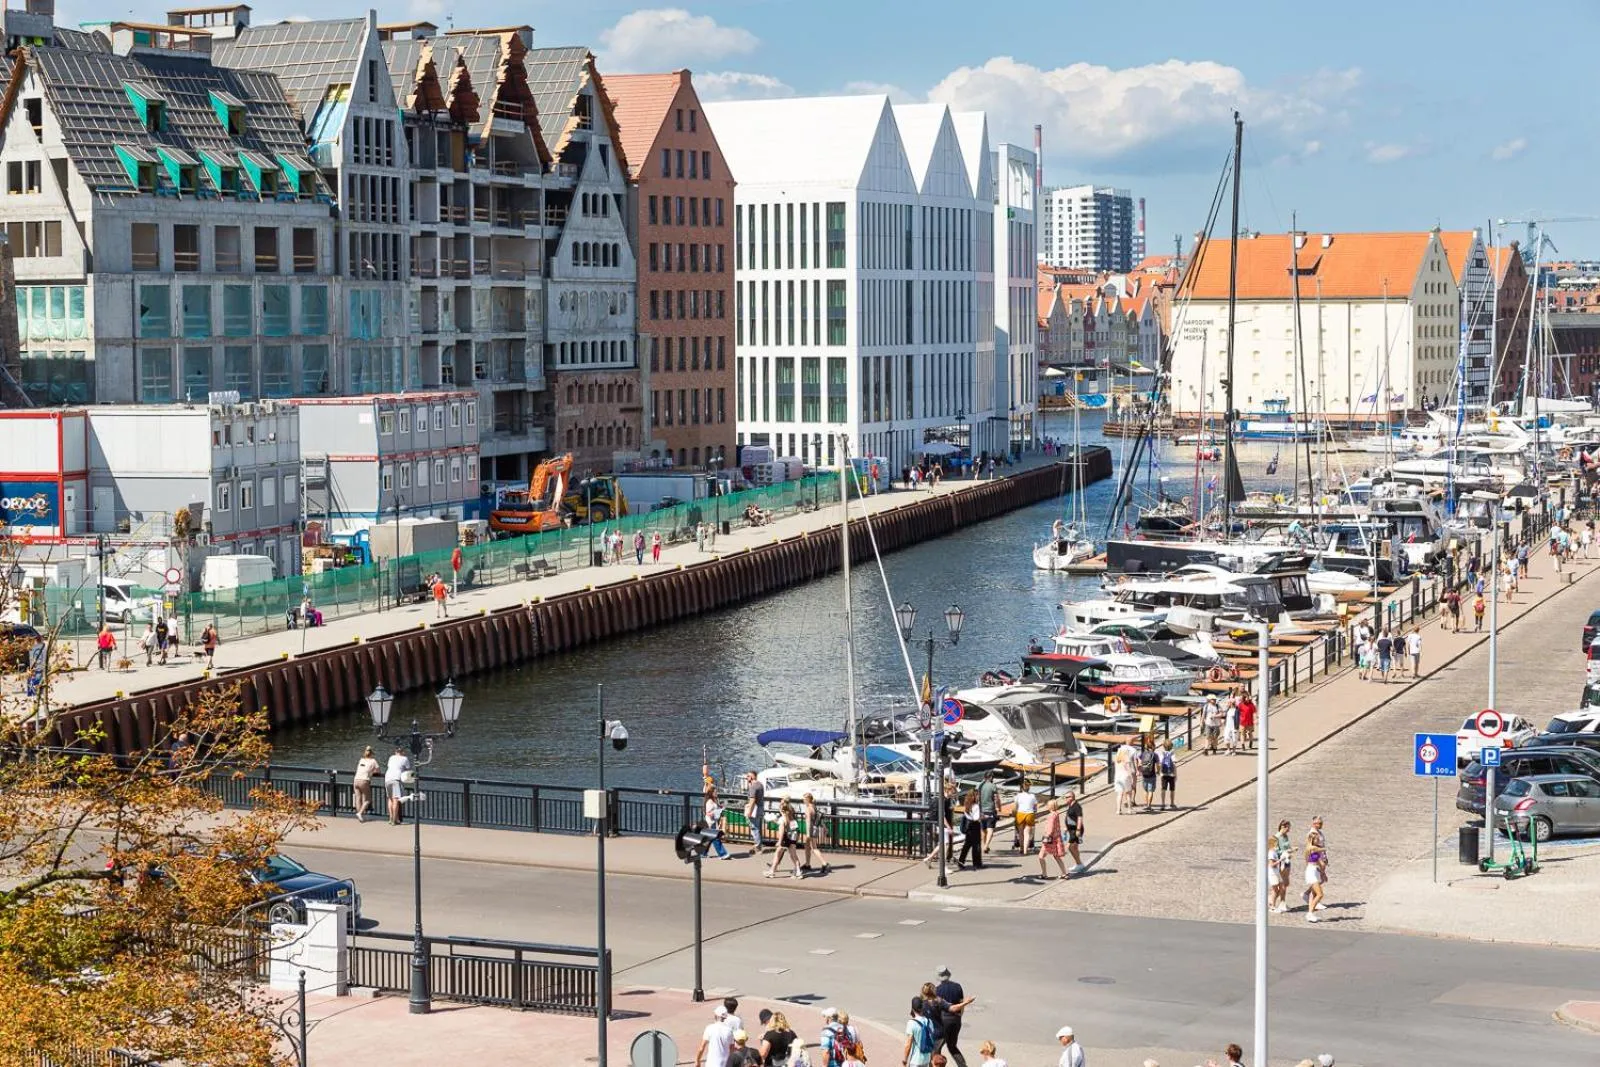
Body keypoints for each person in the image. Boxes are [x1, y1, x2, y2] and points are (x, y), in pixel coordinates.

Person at [933, 967, 973, 1067]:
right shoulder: (957, 987)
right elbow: (961, 1004)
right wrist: (959, 1017)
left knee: (936, 1047)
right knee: (952, 1046)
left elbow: (937, 1009)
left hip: (943, 1021)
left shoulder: (937, 990)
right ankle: (963, 1065)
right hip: (956, 1019)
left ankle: (935, 1065)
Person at [766, 799, 802, 879]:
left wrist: (779, 841)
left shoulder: (782, 819)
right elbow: (796, 830)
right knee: (793, 855)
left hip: (785, 839)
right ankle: (798, 872)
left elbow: (782, 831)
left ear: (781, 810)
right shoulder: (792, 819)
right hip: (792, 839)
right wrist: (795, 841)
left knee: (777, 855)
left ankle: (771, 872)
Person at [1303, 816, 1328, 922]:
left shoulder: (1311, 848)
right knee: (1319, 894)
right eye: (1317, 839)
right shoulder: (1313, 850)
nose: (1319, 840)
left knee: (1315, 894)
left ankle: (1311, 912)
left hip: (1313, 870)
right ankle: (1310, 913)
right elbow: (1320, 863)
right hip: (1312, 872)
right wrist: (1323, 873)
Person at [1037, 799, 1069, 879]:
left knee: (1041, 856)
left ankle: (1044, 874)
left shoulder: (1051, 816)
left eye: (1047, 805)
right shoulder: (1056, 814)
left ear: (1050, 806)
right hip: (1056, 838)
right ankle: (1064, 873)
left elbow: (1050, 828)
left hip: (1050, 840)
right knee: (1056, 856)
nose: (1047, 806)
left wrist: (1047, 836)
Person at [800, 793, 829, 875]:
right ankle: (807, 864)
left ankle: (825, 864)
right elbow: (819, 818)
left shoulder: (808, 809)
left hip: (811, 830)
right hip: (815, 828)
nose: (803, 800)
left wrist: (808, 834)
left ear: (807, 800)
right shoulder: (814, 807)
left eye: (804, 799)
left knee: (814, 848)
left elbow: (808, 822)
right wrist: (825, 828)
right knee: (807, 846)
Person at [903, 998, 936, 1067]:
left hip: (915, 1061)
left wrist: (905, 1060)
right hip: (926, 1060)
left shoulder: (911, 1023)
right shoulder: (929, 1022)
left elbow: (908, 1044)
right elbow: (932, 1041)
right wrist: (932, 1059)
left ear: (913, 1009)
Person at [955, 790, 983, 870]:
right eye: (977, 795)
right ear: (974, 797)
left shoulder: (967, 805)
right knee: (976, 845)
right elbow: (976, 818)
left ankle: (961, 861)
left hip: (968, 827)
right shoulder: (976, 806)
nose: (978, 797)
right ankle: (977, 863)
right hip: (975, 826)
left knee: (967, 845)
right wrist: (982, 817)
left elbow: (967, 815)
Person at [383, 745, 411, 825]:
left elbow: (389, 766)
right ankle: (394, 820)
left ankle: (391, 817)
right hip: (396, 778)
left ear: (395, 752)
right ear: (403, 752)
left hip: (387, 778)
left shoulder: (391, 757)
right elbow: (408, 768)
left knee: (390, 799)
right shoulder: (404, 758)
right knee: (395, 799)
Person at [353, 745, 381, 822]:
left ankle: (359, 815)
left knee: (358, 798)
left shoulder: (361, 760)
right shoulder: (373, 761)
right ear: (372, 754)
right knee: (368, 799)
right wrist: (372, 772)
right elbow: (378, 771)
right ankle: (360, 813)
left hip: (356, 780)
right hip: (364, 780)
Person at [703, 788, 732, 859]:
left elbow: (716, 808)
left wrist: (721, 808)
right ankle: (723, 854)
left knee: (709, 839)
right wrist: (717, 812)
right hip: (710, 822)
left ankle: (702, 853)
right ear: (711, 793)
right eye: (715, 792)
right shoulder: (709, 802)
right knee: (716, 838)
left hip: (713, 822)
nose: (717, 793)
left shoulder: (715, 800)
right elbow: (708, 813)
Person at [1062, 790, 1085, 873]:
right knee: (1074, 847)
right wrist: (1066, 828)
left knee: (1071, 847)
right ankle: (1078, 864)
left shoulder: (1077, 806)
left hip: (1076, 830)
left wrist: (1078, 829)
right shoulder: (1070, 805)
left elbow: (1079, 818)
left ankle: (1079, 864)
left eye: (1066, 797)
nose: (1065, 799)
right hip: (1071, 830)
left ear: (1071, 797)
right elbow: (1070, 817)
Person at [744, 771, 766, 853]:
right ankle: (759, 844)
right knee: (758, 827)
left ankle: (757, 846)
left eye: (748, 776)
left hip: (754, 810)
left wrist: (749, 812)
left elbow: (752, 800)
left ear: (751, 777)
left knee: (754, 828)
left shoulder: (753, 787)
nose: (746, 777)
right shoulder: (760, 785)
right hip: (760, 808)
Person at [978, 771, 1000, 851]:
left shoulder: (980, 785)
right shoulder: (993, 786)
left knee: (983, 829)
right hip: (990, 810)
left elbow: (977, 798)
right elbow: (996, 798)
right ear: (991, 777)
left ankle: (984, 845)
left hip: (981, 810)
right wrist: (998, 807)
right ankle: (986, 845)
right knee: (990, 829)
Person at [1012, 786, 1037, 852]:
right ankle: (1025, 850)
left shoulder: (1018, 795)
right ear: (1029, 788)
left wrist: (1014, 814)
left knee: (1020, 833)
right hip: (1029, 814)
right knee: (1027, 833)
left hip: (1020, 814)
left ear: (1022, 788)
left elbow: (1015, 807)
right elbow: (1035, 808)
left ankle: (1021, 848)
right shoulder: (1032, 796)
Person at [1136, 738, 1158, 809]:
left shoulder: (1143, 754)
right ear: (1153, 746)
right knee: (1150, 791)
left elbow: (1138, 759)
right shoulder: (1155, 755)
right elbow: (1158, 764)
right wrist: (1158, 771)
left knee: (1145, 791)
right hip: (1152, 774)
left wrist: (1139, 769)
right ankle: (1149, 805)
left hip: (1144, 774)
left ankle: (1146, 804)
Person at [1157, 740, 1177, 810]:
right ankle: (1172, 803)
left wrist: (1160, 773)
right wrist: (1175, 775)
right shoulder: (1172, 754)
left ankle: (1163, 803)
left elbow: (1159, 764)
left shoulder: (1161, 753)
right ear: (1171, 746)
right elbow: (1174, 765)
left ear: (1163, 746)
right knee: (1172, 790)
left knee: (1163, 789)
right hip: (1171, 774)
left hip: (1164, 774)